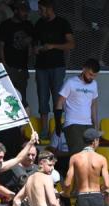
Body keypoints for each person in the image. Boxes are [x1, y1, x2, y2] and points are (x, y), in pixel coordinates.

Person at [33, 0, 74, 138]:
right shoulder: (39, 23)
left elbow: (71, 44)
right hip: (41, 67)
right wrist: (37, 49)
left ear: (49, 8)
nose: (39, 12)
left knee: (58, 98)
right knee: (42, 97)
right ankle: (44, 129)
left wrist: (52, 46)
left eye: (41, 9)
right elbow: (34, 44)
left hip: (57, 66)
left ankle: (58, 127)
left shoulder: (62, 23)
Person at [54, 58, 100, 155]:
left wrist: (96, 125)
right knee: (78, 155)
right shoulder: (71, 82)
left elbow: (93, 105)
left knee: (90, 155)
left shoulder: (94, 84)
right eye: (90, 74)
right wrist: (58, 123)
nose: (92, 78)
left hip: (88, 124)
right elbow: (59, 103)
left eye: (94, 76)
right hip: (73, 124)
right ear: (83, 69)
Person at [0, 1, 34, 107]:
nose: (26, 13)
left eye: (27, 11)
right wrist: (4, 64)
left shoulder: (28, 25)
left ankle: (21, 124)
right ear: (16, 11)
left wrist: (30, 43)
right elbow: (1, 46)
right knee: (8, 97)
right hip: (9, 66)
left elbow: (33, 42)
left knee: (22, 98)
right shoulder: (5, 25)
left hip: (23, 67)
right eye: (23, 11)